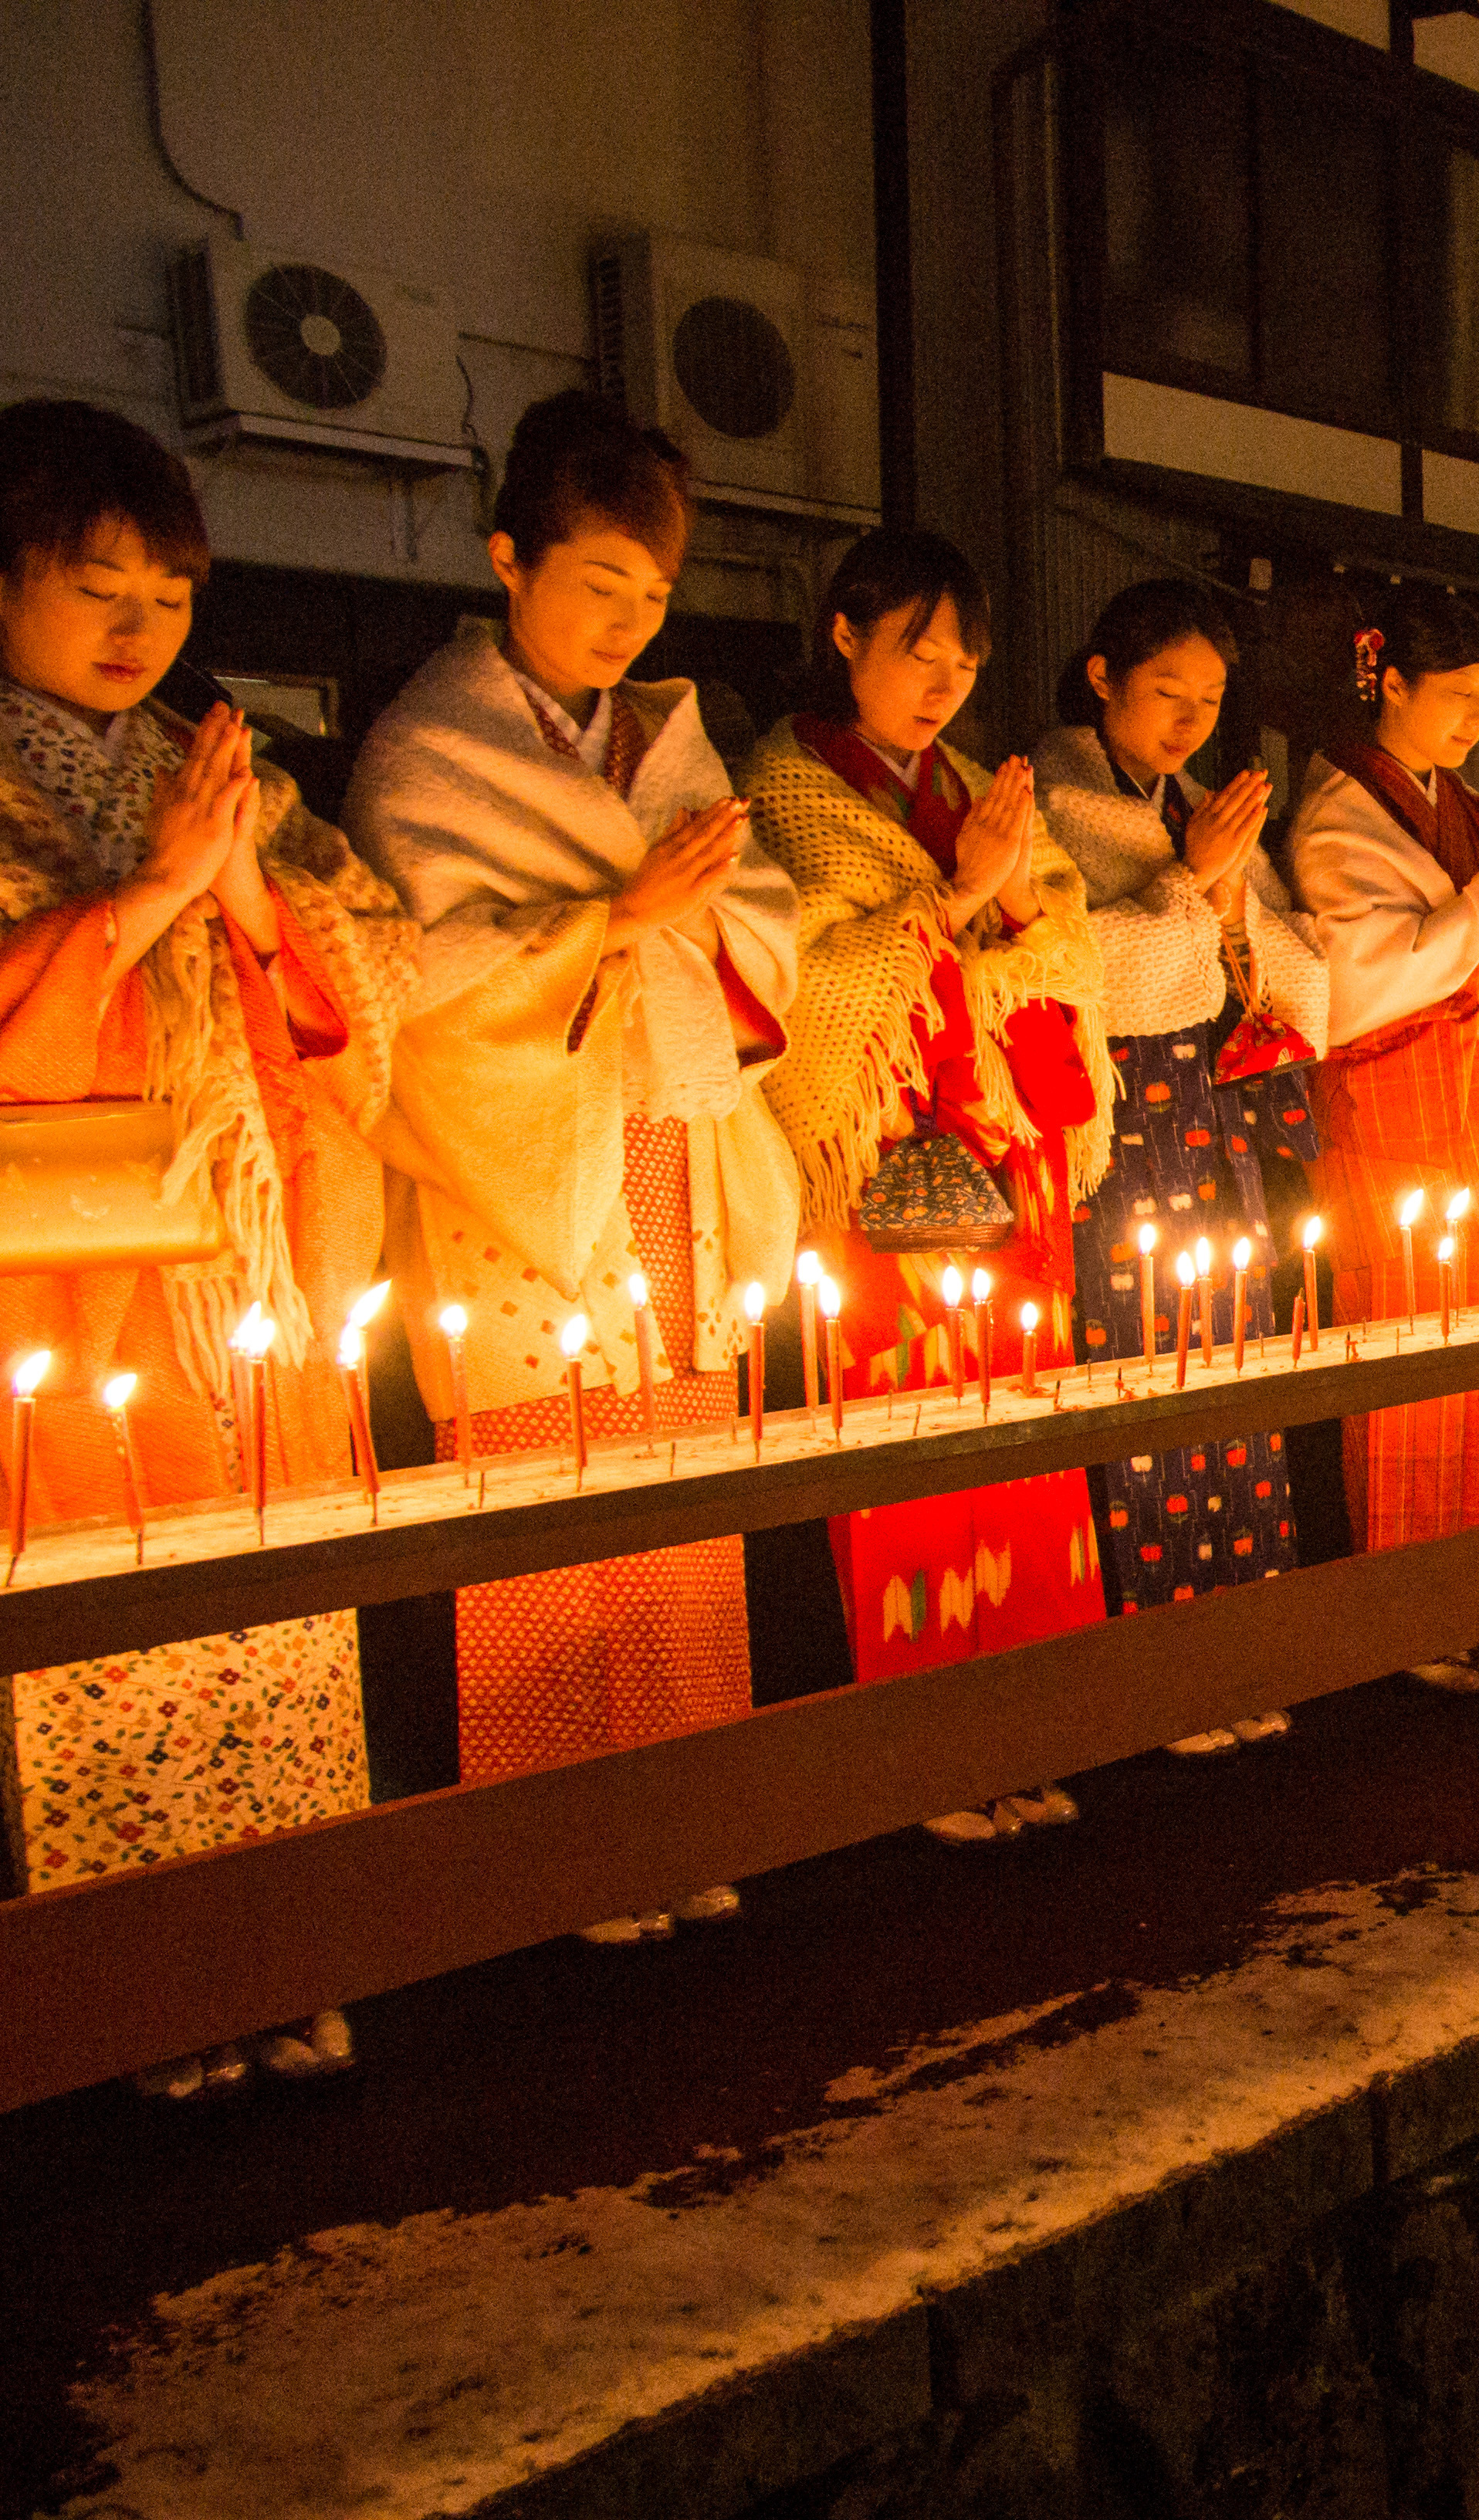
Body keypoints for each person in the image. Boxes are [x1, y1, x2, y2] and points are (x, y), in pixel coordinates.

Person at [0, 401, 412, 2092]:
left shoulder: (222, 769)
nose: (137, 629)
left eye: (168, 597)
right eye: (98, 587)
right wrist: (146, 902)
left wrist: (244, 897)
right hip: (82, 1271)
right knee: (115, 1629)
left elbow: (363, 984)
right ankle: (142, 1992)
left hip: (245, 1263)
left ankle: (285, 1948)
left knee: (271, 1614)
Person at [351, 391, 799, 1944]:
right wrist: (611, 920)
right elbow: (414, 984)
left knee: (673, 1462)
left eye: (653, 597)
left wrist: (687, 911)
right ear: (507, 558)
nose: (625, 623)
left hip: (662, 1138)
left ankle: (683, 1808)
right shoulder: (429, 750)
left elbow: (766, 928)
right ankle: (557, 1849)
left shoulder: (664, 741)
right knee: (543, 1476)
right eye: (597, 583)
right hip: (521, 1158)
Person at [745, 528, 1114, 1838]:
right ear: (843, 634)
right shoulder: (786, 785)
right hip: (880, 1156)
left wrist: (1002, 913)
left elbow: (1066, 935)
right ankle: (922, 1750)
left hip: (1001, 1150)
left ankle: (1029, 1719)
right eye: (918, 649)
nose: (944, 680)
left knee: (1016, 1437)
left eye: (964, 657)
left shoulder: (972, 778)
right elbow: (808, 972)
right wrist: (957, 899)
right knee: (904, 1448)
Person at [1031, 577, 1330, 1753]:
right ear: (1101, 676)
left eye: (1209, 700)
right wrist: (1189, 887)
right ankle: (1157, 1671)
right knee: (1139, 1367)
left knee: (1231, 1372)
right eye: (1166, 693)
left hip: (1211, 1127)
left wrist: (1216, 892)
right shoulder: (1049, 804)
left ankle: (1244, 1640)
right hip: (1118, 1133)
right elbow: (1079, 972)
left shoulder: (1207, 811)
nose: (1190, 722)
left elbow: (1293, 981)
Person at [1284, 590, 1479, 1692]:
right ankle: (1409, 1611)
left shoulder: (1472, 805)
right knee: (1408, 1342)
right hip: (1393, 1102)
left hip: (1473, 1103)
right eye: (1455, 696)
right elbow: (1364, 980)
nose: (1473, 721)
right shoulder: (1338, 814)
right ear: (1388, 683)